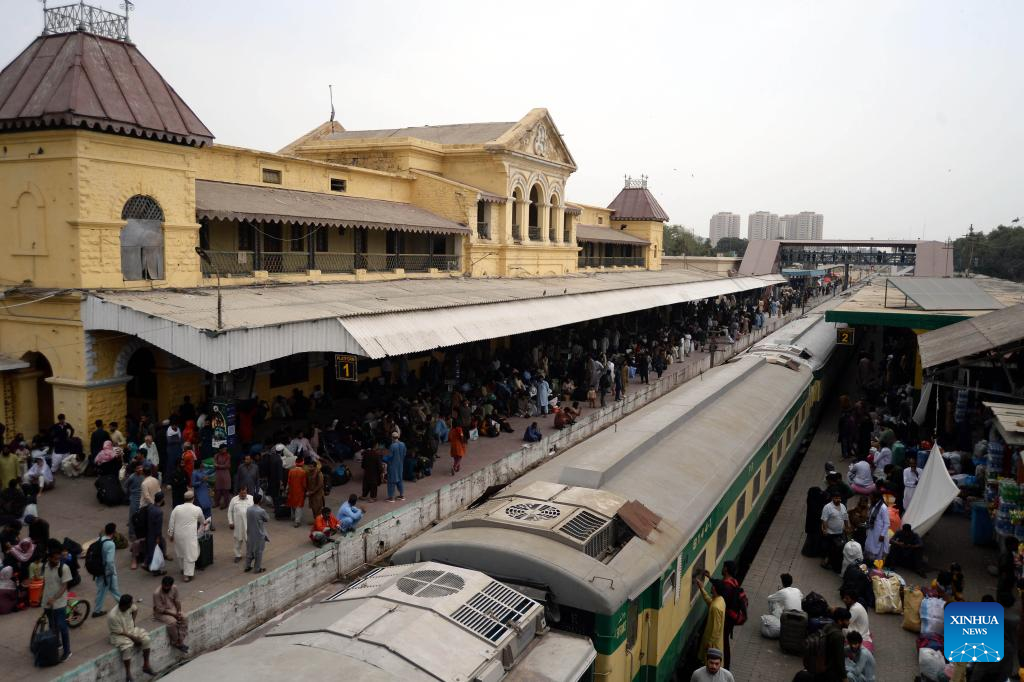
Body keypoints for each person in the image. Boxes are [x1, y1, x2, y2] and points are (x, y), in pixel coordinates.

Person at [108, 594, 154, 679]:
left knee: (146, 639)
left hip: (131, 629)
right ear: (124, 605)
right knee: (127, 648)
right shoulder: (113, 616)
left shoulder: (129, 606)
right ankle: (128, 674)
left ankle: (146, 665)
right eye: (130, 604)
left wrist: (133, 621)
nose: (131, 605)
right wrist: (134, 638)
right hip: (119, 634)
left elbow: (135, 609)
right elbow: (120, 632)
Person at [42, 539, 72, 661]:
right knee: (52, 624)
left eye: (58, 559)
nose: (56, 561)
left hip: (59, 603)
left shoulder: (64, 568)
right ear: (49, 558)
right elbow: (46, 582)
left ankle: (67, 651)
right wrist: (42, 596)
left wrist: (54, 598)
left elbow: (64, 586)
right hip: (47, 602)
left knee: (62, 626)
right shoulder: (45, 566)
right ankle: (57, 642)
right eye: (54, 559)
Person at [167, 490, 205, 582]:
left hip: (178, 535)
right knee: (190, 554)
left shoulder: (177, 508)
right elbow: (203, 521)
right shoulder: (197, 509)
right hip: (190, 536)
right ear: (193, 499)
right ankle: (187, 575)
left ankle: (182, 568)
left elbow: (171, 522)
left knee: (181, 552)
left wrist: (170, 534)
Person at [695, 573, 726, 665]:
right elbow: (710, 602)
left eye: (712, 586)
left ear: (715, 589)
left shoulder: (716, 607)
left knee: (710, 664)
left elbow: (716, 629)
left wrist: (709, 644)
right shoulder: (720, 600)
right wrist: (702, 589)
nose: (711, 587)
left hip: (713, 643)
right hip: (715, 641)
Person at [92, 522, 122, 617]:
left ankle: (124, 604)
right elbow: (109, 561)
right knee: (104, 591)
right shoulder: (110, 544)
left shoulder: (100, 539)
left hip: (99, 569)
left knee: (112, 589)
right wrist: (111, 572)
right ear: (114, 532)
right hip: (107, 572)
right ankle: (97, 611)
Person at [153, 576, 189, 653]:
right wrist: (173, 615)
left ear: (171, 585)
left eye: (168, 586)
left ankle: (181, 641)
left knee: (185, 617)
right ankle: (175, 642)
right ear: (162, 584)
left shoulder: (174, 588)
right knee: (172, 622)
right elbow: (160, 609)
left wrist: (179, 611)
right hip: (161, 612)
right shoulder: (157, 593)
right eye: (164, 586)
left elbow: (177, 601)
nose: (166, 588)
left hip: (172, 608)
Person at [821, 491, 851, 573]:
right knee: (830, 549)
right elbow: (824, 519)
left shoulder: (843, 506)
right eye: (836, 498)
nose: (838, 500)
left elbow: (845, 518)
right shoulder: (827, 507)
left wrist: (847, 527)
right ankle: (826, 562)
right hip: (830, 533)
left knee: (838, 549)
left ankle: (834, 563)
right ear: (832, 498)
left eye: (839, 498)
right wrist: (825, 529)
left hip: (840, 532)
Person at [822, 608, 851, 682]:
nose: (849, 622)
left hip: (822, 664)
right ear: (840, 621)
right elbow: (839, 659)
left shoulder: (828, 626)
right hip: (830, 670)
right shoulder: (838, 636)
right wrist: (844, 677)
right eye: (847, 620)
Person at [227, 486, 253, 563]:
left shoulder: (251, 498)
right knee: (238, 539)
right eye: (242, 493)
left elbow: (255, 509)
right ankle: (238, 555)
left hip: (249, 524)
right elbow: (229, 511)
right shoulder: (234, 500)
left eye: (245, 493)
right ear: (238, 493)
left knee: (249, 540)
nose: (243, 495)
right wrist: (230, 522)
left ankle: (250, 554)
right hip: (238, 524)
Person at [244, 493, 269, 573]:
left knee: (249, 551)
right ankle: (257, 569)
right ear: (260, 501)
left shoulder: (248, 509)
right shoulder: (261, 511)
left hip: (250, 533)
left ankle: (247, 566)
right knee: (259, 552)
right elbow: (267, 519)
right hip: (259, 535)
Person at [862, 491, 889, 565]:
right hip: (871, 530)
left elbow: (887, 523)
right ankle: (869, 563)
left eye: (871, 497)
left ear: (876, 498)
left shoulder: (883, 507)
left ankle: (877, 566)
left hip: (879, 533)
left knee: (878, 550)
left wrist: (882, 534)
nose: (870, 499)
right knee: (869, 546)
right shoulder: (873, 505)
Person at [145, 492, 166, 576]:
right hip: (155, 534)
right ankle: (156, 570)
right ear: (162, 500)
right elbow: (158, 527)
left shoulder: (150, 507)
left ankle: (147, 563)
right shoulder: (159, 512)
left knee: (150, 549)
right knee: (158, 550)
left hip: (149, 531)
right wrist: (158, 537)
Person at [123, 462, 144, 541]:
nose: (140, 469)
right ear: (135, 469)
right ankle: (131, 534)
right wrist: (129, 495)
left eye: (141, 467)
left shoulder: (143, 476)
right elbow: (125, 486)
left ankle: (139, 533)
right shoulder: (131, 477)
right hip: (134, 498)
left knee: (140, 516)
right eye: (138, 468)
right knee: (132, 516)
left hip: (141, 498)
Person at [996, 536, 1018, 607]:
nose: (1017, 546)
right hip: (1006, 579)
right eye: (1015, 545)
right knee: (1004, 593)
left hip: (1006, 579)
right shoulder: (1007, 555)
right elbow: (1004, 566)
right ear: (1009, 545)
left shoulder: (1007, 553)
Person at [383, 433, 406, 502]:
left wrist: (383, 458)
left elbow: (390, 456)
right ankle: (401, 495)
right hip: (400, 466)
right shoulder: (403, 444)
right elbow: (404, 454)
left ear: (392, 437)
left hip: (393, 466)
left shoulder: (392, 446)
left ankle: (391, 497)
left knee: (391, 482)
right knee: (400, 480)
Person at [191, 462, 213, 529]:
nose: (203, 464)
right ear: (199, 464)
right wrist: (201, 481)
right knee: (199, 509)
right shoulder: (194, 473)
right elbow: (193, 484)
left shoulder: (204, 471)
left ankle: (209, 524)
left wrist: (208, 465)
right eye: (202, 463)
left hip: (205, 491)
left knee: (208, 508)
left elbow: (213, 469)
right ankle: (198, 524)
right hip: (199, 492)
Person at [286, 458, 308, 527]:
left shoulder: (291, 471)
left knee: (292, 504)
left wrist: (287, 490)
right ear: (302, 463)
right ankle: (297, 521)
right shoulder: (303, 472)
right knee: (299, 506)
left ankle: (293, 517)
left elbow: (288, 482)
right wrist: (307, 490)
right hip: (300, 492)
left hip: (292, 491)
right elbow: (304, 484)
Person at [213, 445, 232, 510]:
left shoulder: (228, 455)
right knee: (217, 490)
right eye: (223, 449)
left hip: (225, 474)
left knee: (225, 490)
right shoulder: (216, 455)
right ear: (220, 449)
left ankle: (225, 504)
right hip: (218, 474)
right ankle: (216, 503)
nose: (225, 450)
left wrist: (218, 466)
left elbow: (227, 465)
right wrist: (220, 466)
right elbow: (214, 464)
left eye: (225, 449)